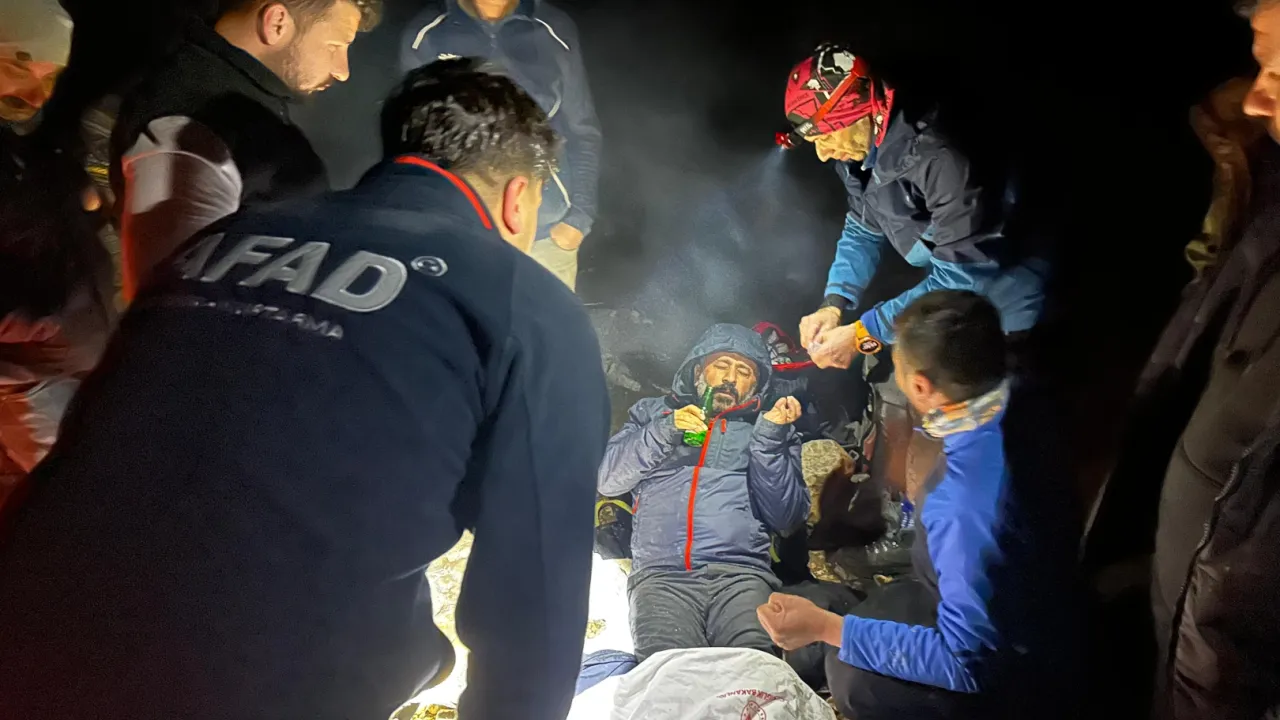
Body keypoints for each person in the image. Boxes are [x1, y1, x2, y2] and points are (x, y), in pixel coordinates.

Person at [0, 58, 611, 720]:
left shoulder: (224, 239)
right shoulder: (525, 301)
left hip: (27, 623)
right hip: (239, 684)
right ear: (519, 199)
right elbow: (534, 593)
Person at [757, 290, 1079, 720]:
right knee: (871, 611)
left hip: (1012, 664)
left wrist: (825, 627)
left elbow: (968, 664)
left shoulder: (963, 505)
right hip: (1027, 592)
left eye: (900, 369)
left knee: (851, 675)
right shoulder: (1022, 393)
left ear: (922, 386)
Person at [1132, 1, 1280, 715]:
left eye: (1279, 72)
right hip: (1191, 623)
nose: (1256, 98)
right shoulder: (1268, 219)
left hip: (1229, 665)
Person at [785, 43, 1045, 370]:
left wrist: (865, 332)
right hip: (955, 306)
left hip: (1009, 306)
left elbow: (962, 277)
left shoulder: (942, 157)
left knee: (1009, 385)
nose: (823, 154)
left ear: (859, 112)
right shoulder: (859, 154)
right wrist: (833, 303)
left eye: (825, 137)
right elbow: (863, 229)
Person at [110, 0, 380, 302]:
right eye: (335, 46)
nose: (342, 71)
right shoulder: (192, 124)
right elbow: (173, 306)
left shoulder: (239, 97)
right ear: (276, 23)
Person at [597, 323, 810, 661]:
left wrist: (770, 439)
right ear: (698, 371)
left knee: (751, 668)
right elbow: (608, 480)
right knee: (669, 671)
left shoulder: (767, 428)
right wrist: (666, 430)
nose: (730, 378)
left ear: (757, 386)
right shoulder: (653, 414)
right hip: (662, 576)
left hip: (741, 576)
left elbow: (787, 518)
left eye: (744, 372)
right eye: (721, 365)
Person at [0, 0, 116, 522]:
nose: (36, 93)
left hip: (80, 361)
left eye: (51, 77)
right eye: (19, 67)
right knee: (82, 507)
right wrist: (34, 323)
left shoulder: (26, 143)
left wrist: (84, 199)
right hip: (31, 385)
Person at [401, 0, 601, 290]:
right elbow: (409, 141)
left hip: (546, 236)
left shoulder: (552, 27)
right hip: (461, 239)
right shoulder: (427, 33)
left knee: (544, 321)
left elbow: (583, 129)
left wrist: (579, 218)